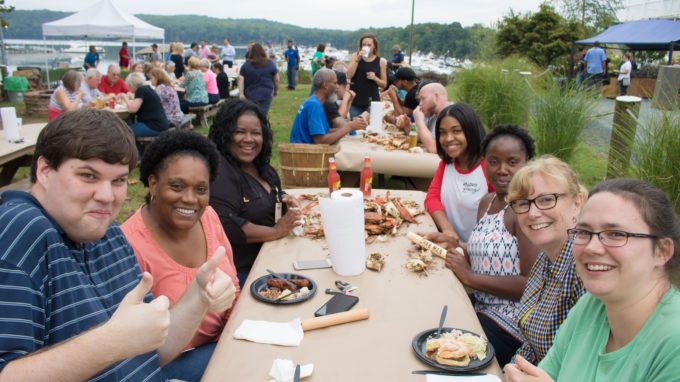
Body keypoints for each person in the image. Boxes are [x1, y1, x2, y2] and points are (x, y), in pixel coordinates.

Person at [0, 108, 236, 381]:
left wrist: (199, 296)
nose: (106, 196)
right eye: (88, 175)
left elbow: (149, 351)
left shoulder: (108, 231)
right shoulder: (18, 232)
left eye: (119, 180)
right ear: (44, 170)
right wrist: (107, 343)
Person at [505, 179, 680, 381]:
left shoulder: (673, 344)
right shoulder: (590, 306)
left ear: (662, 251)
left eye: (615, 234)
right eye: (584, 232)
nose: (591, 247)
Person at [121, 130, 240, 382]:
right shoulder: (128, 246)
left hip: (225, 341)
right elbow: (137, 351)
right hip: (170, 364)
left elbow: (234, 288)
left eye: (200, 189)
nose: (190, 199)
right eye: (177, 186)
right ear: (153, 183)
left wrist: (236, 333)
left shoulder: (208, 217)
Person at [429, 125, 540, 367]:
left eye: (512, 162)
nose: (502, 170)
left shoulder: (526, 210)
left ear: (528, 163)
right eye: (493, 161)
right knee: (428, 315)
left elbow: (528, 284)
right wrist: (457, 245)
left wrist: (469, 276)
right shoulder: (487, 202)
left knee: (444, 354)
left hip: (511, 322)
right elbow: (489, 252)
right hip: (481, 307)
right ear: (484, 163)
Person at [208, 99, 302, 286]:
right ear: (225, 134)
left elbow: (269, 194)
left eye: (256, 133)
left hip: (272, 256)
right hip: (244, 273)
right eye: (240, 132)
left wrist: (284, 200)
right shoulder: (220, 172)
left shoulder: (260, 167)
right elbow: (227, 224)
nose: (249, 139)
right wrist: (276, 231)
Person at [505, 156, 587, 364]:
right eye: (523, 203)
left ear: (577, 203)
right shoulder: (545, 257)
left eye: (546, 200)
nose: (533, 213)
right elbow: (532, 346)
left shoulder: (584, 269)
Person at [424, 103, 491, 248]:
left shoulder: (489, 168)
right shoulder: (446, 164)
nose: (448, 139)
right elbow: (432, 197)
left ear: (471, 131)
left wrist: (464, 248)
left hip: (480, 255)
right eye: (442, 132)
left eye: (457, 131)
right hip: (450, 247)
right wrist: (447, 230)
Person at [289, 69, 366, 144]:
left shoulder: (316, 102)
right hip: (304, 153)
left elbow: (326, 131)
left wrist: (351, 127)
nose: (337, 87)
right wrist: (349, 127)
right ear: (325, 84)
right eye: (335, 83)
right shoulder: (314, 105)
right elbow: (320, 141)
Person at [121, 72, 171, 145]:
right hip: (161, 124)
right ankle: (137, 152)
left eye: (128, 86)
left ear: (132, 85)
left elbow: (132, 109)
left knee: (124, 131)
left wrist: (124, 98)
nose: (128, 88)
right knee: (128, 127)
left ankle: (136, 155)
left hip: (154, 126)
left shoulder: (140, 90)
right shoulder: (147, 88)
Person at [347, 33, 388, 118]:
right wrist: (357, 60)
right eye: (364, 45)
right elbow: (348, 75)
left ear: (374, 46)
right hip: (356, 101)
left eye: (369, 45)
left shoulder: (381, 61)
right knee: (355, 128)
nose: (366, 46)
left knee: (372, 129)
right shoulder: (355, 56)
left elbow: (384, 84)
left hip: (372, 102)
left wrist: (375, 78)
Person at [238, 43, 279, 114]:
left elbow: (240, 79)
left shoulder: (246, 65)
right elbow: (276, 79)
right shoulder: (270, 63)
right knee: (263, 115)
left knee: (252, 114)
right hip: (266, 93)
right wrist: (275, 90)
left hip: (250, 94)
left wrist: (241, 93)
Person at [410, 82, 451, 153]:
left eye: (423, 98)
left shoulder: (450, 115)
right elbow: (421, 137)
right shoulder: (433, 114)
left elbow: (434, 149)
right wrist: (406, 125)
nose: (420, 104)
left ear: (436, 97)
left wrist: (419, 121)